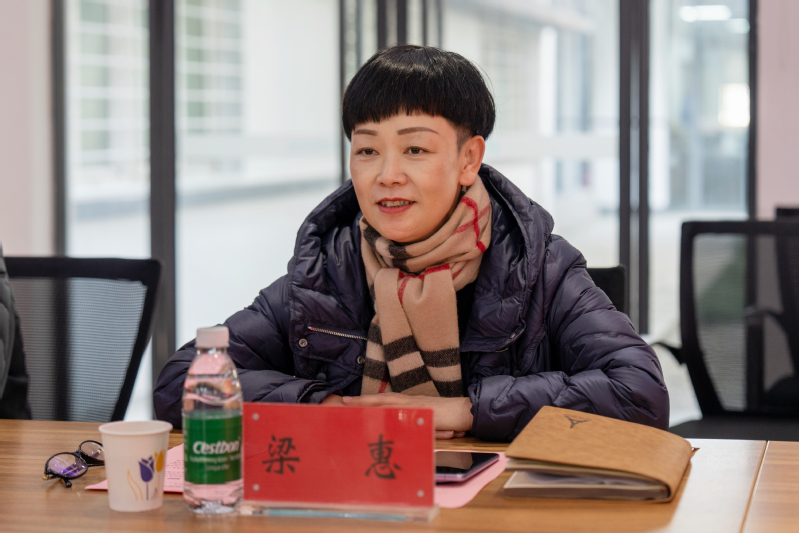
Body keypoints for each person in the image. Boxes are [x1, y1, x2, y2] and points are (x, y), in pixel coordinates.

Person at [154, 45, 668, 441]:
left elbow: (639, 392)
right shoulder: (326, 270)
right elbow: (183, 382)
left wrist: (465, 410)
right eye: (367, 150)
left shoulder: (539, 265)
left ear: (468, 160)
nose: (388, 175)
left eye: (415, 149)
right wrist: (328, 409)